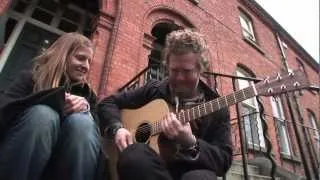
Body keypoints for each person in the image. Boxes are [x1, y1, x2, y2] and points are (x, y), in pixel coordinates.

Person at [98, 29, 233, 180]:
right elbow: (108, 103)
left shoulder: (218, 107)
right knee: (134, 155)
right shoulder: (153, 89)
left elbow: (223, 161)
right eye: (174, 71)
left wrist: (191, 143)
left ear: (200, 69)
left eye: (187, 71)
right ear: (167, 66)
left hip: (191, 172)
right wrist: (118, 129)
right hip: (151, 170)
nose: (180, 78)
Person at [0, 32, 102, 180]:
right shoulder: (31, 79)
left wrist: (87, 110)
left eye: (89, 62)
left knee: (83, 122)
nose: (86, 66)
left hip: (62, 163)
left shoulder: (88, 95)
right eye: (80, 58)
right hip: (24, 156)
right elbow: (4, 112)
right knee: (43, 114)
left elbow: (97, 137)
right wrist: (50, 100)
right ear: (63, 55)